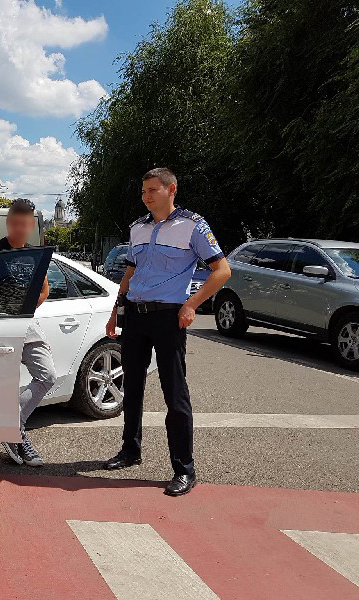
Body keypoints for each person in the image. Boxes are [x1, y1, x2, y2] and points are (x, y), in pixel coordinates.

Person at [103, 168, 231, 496]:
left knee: (175, 393)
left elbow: (222, 270)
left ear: (171, 189)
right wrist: (115, 312)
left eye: (152, 190)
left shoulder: (192, 225)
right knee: (130, 388)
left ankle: (184, 469)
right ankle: (130, 451)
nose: (146, 196)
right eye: (143, 191)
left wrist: (192, 305)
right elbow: (131, 271)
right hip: (136, 315)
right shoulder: (137, 228)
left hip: (169, 317)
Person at [0, 198, 56, 467]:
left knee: (47, 375)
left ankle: (12, 424)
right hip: (0, 321)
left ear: (31, 225)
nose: (20, 228)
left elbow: (44, 290)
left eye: (25, 224)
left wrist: (28, 306)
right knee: (3, 382)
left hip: (27, 322)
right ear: (9, 222)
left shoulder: (35, 254)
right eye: (16, 223)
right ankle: (15, 433)